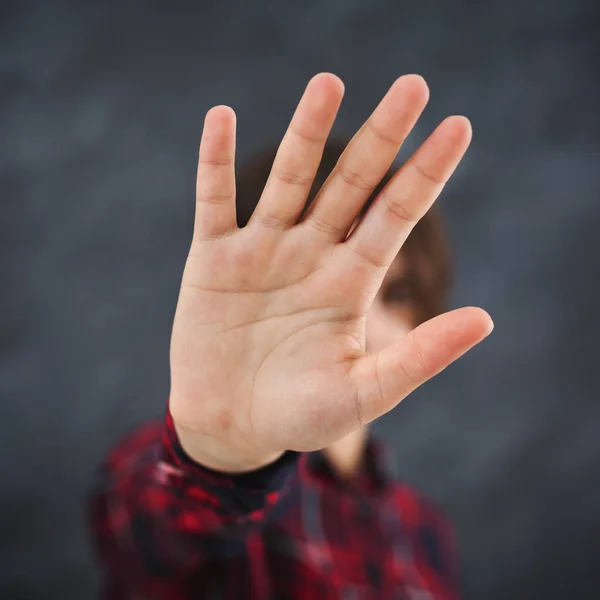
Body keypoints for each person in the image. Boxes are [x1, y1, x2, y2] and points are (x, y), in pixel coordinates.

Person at [87, 72, 493, 599]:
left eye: (395, 293)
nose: (355, 320)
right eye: (321, 289)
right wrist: (223, 450)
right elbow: (146, 527)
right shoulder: (175, 478)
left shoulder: (427, 529)